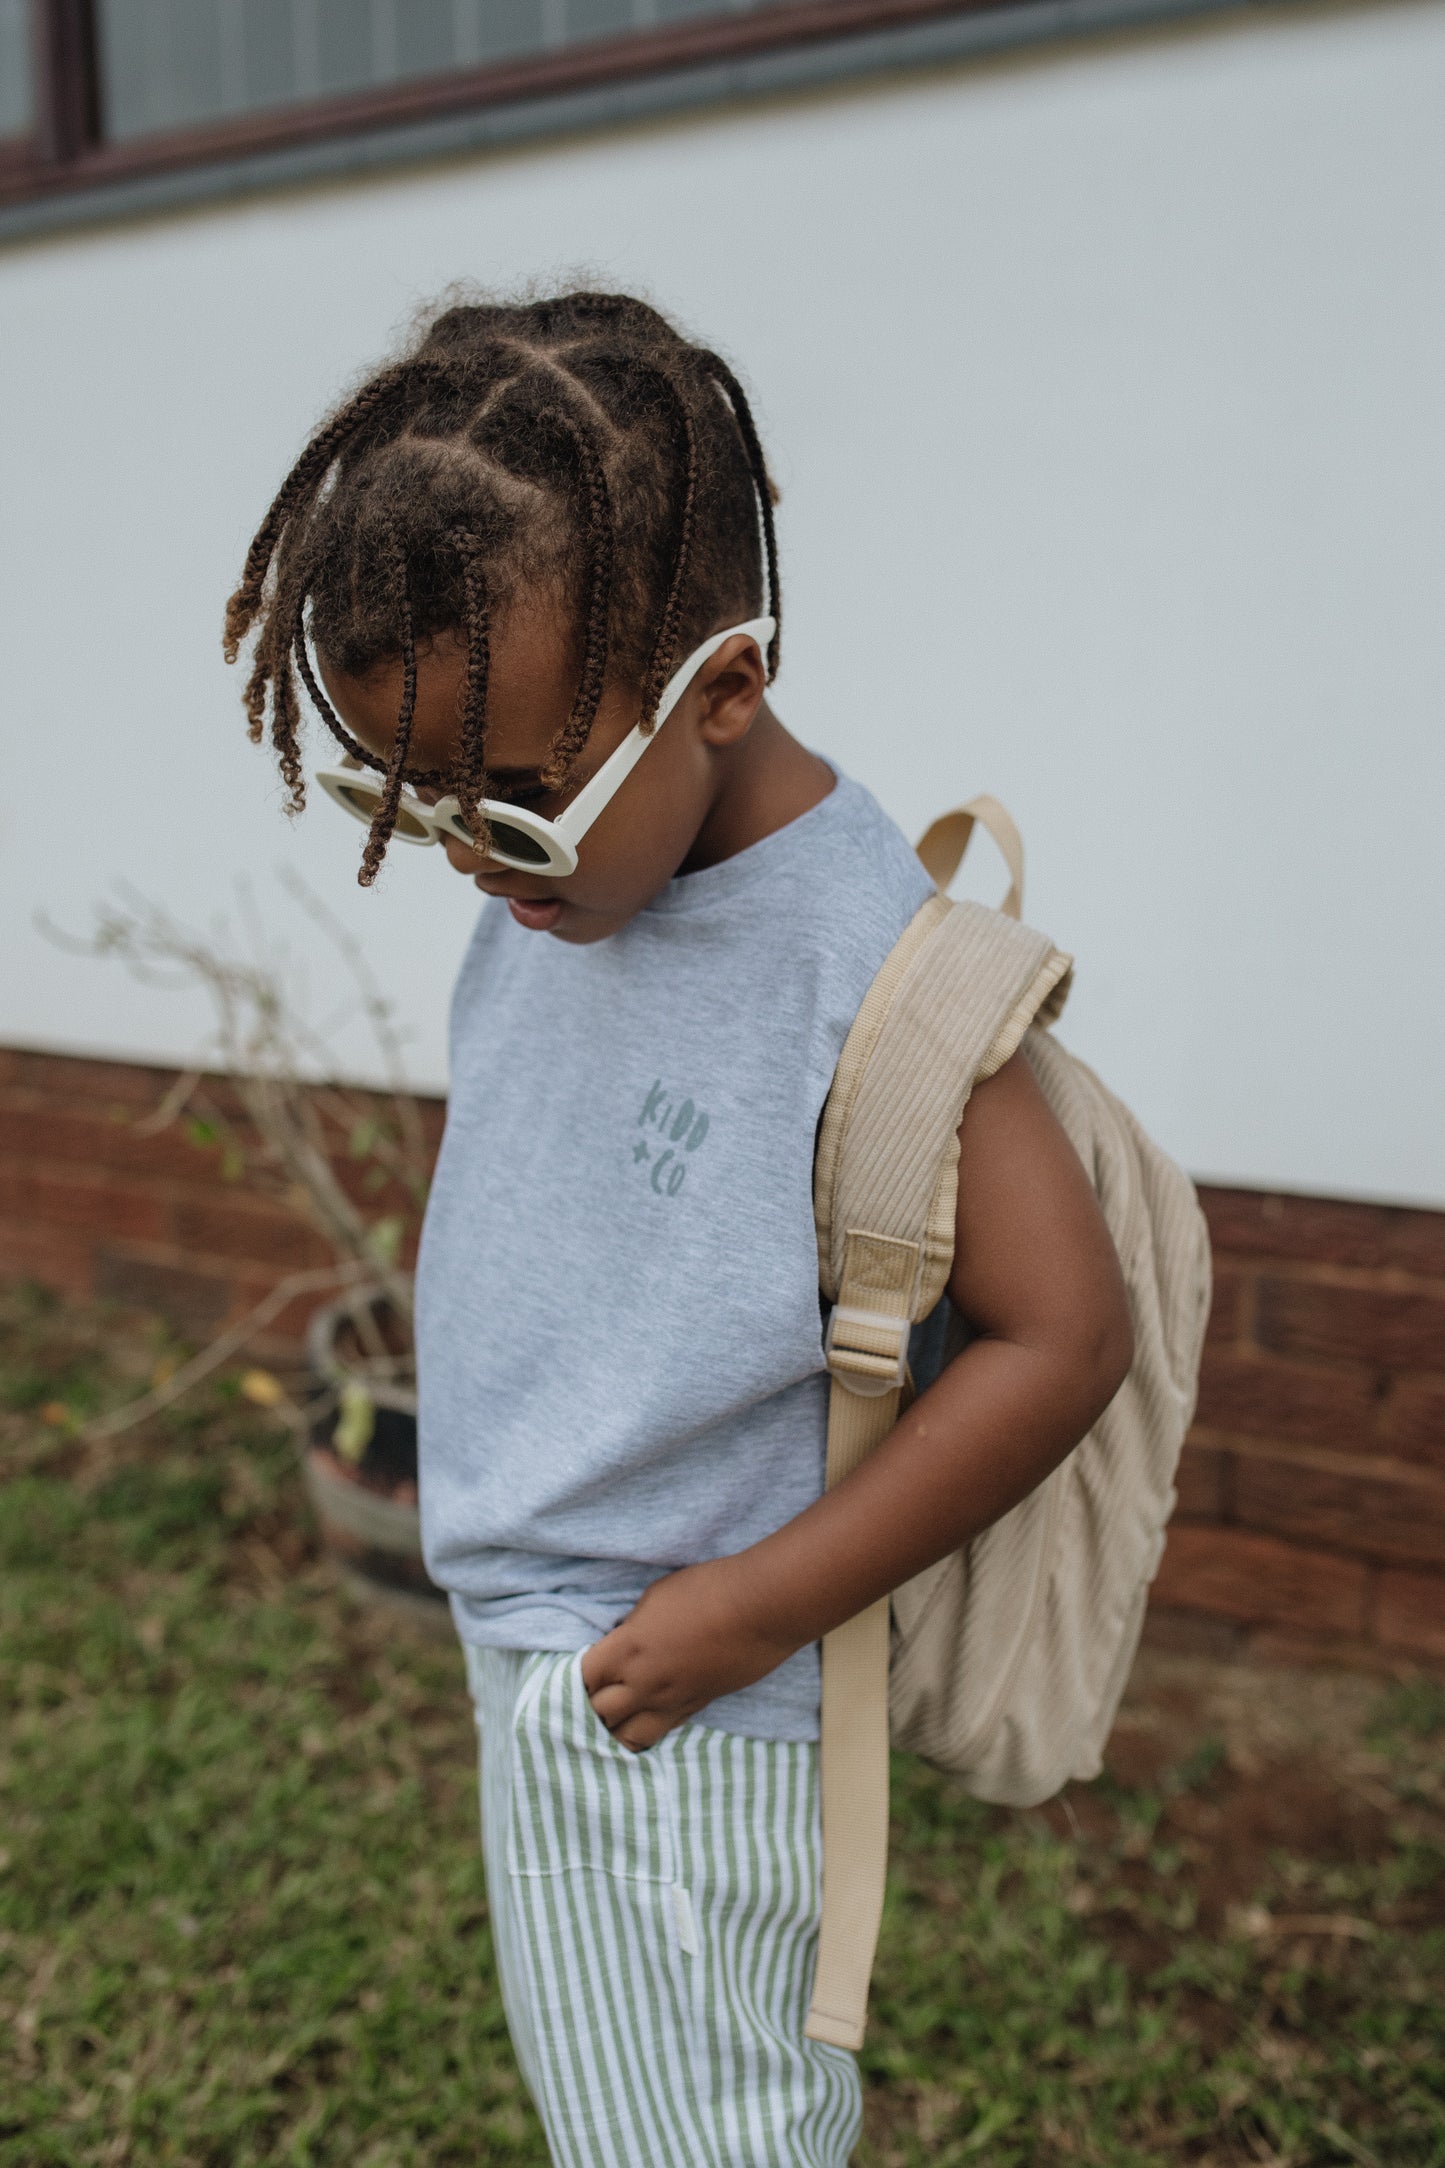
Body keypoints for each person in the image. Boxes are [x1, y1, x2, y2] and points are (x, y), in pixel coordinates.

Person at [224, 289, 1133, 2167]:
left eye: (519, 809)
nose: (474, 860)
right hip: (566, 1635)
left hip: (680, 1690)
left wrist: (752, 1612)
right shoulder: (582, 866)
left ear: (722, 688)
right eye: (418, 801)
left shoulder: (872, 976)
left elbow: (1065, 1335)